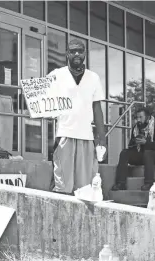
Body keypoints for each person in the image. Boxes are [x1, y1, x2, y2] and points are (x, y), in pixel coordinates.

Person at [49, 39, 106, 194]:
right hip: (64, 134)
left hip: (87, 137)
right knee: (62, 186)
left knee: (85, 188)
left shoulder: (93, 77)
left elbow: (97, 109)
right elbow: (43, 99)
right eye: (73, 51)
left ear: (84, 54)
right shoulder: (56, 75)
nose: (76, 54)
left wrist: (102, 137)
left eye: (80, 51)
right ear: (67, 54)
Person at [112, 107, 155, 191]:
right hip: (140, 155)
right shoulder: (136, 128)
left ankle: (149, 183)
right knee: (124, 153)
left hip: (152, 156)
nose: (138, 120)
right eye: (137, 117)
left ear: (148, 117)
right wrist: (135, 143)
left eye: (140, 117)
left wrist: (146, 143)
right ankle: (121, 183)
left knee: (148, 152)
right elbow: (130, 145)